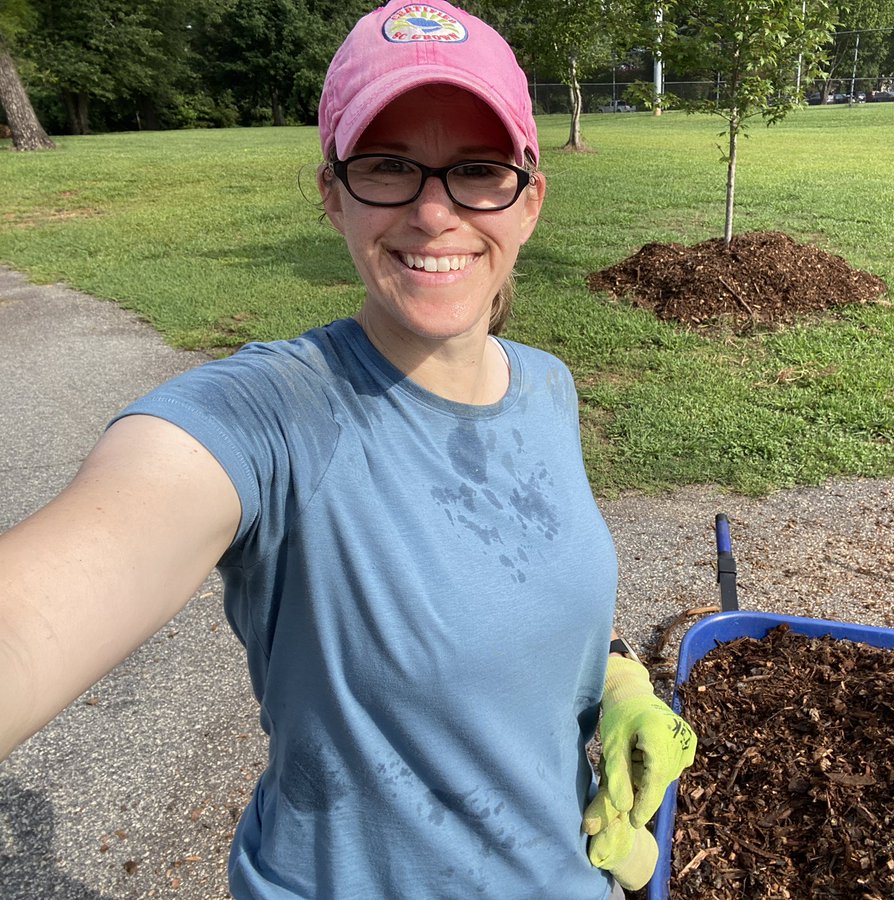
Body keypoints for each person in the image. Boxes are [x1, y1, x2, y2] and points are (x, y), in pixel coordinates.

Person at [0, 1, 696, 897]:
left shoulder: (547, 387)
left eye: (478, 170)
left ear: (528, 201)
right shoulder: (273, 416)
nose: (435, 211)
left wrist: (619, 676)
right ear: (333, 194)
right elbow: (44, 605)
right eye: (388, 166)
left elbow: (530, 589)